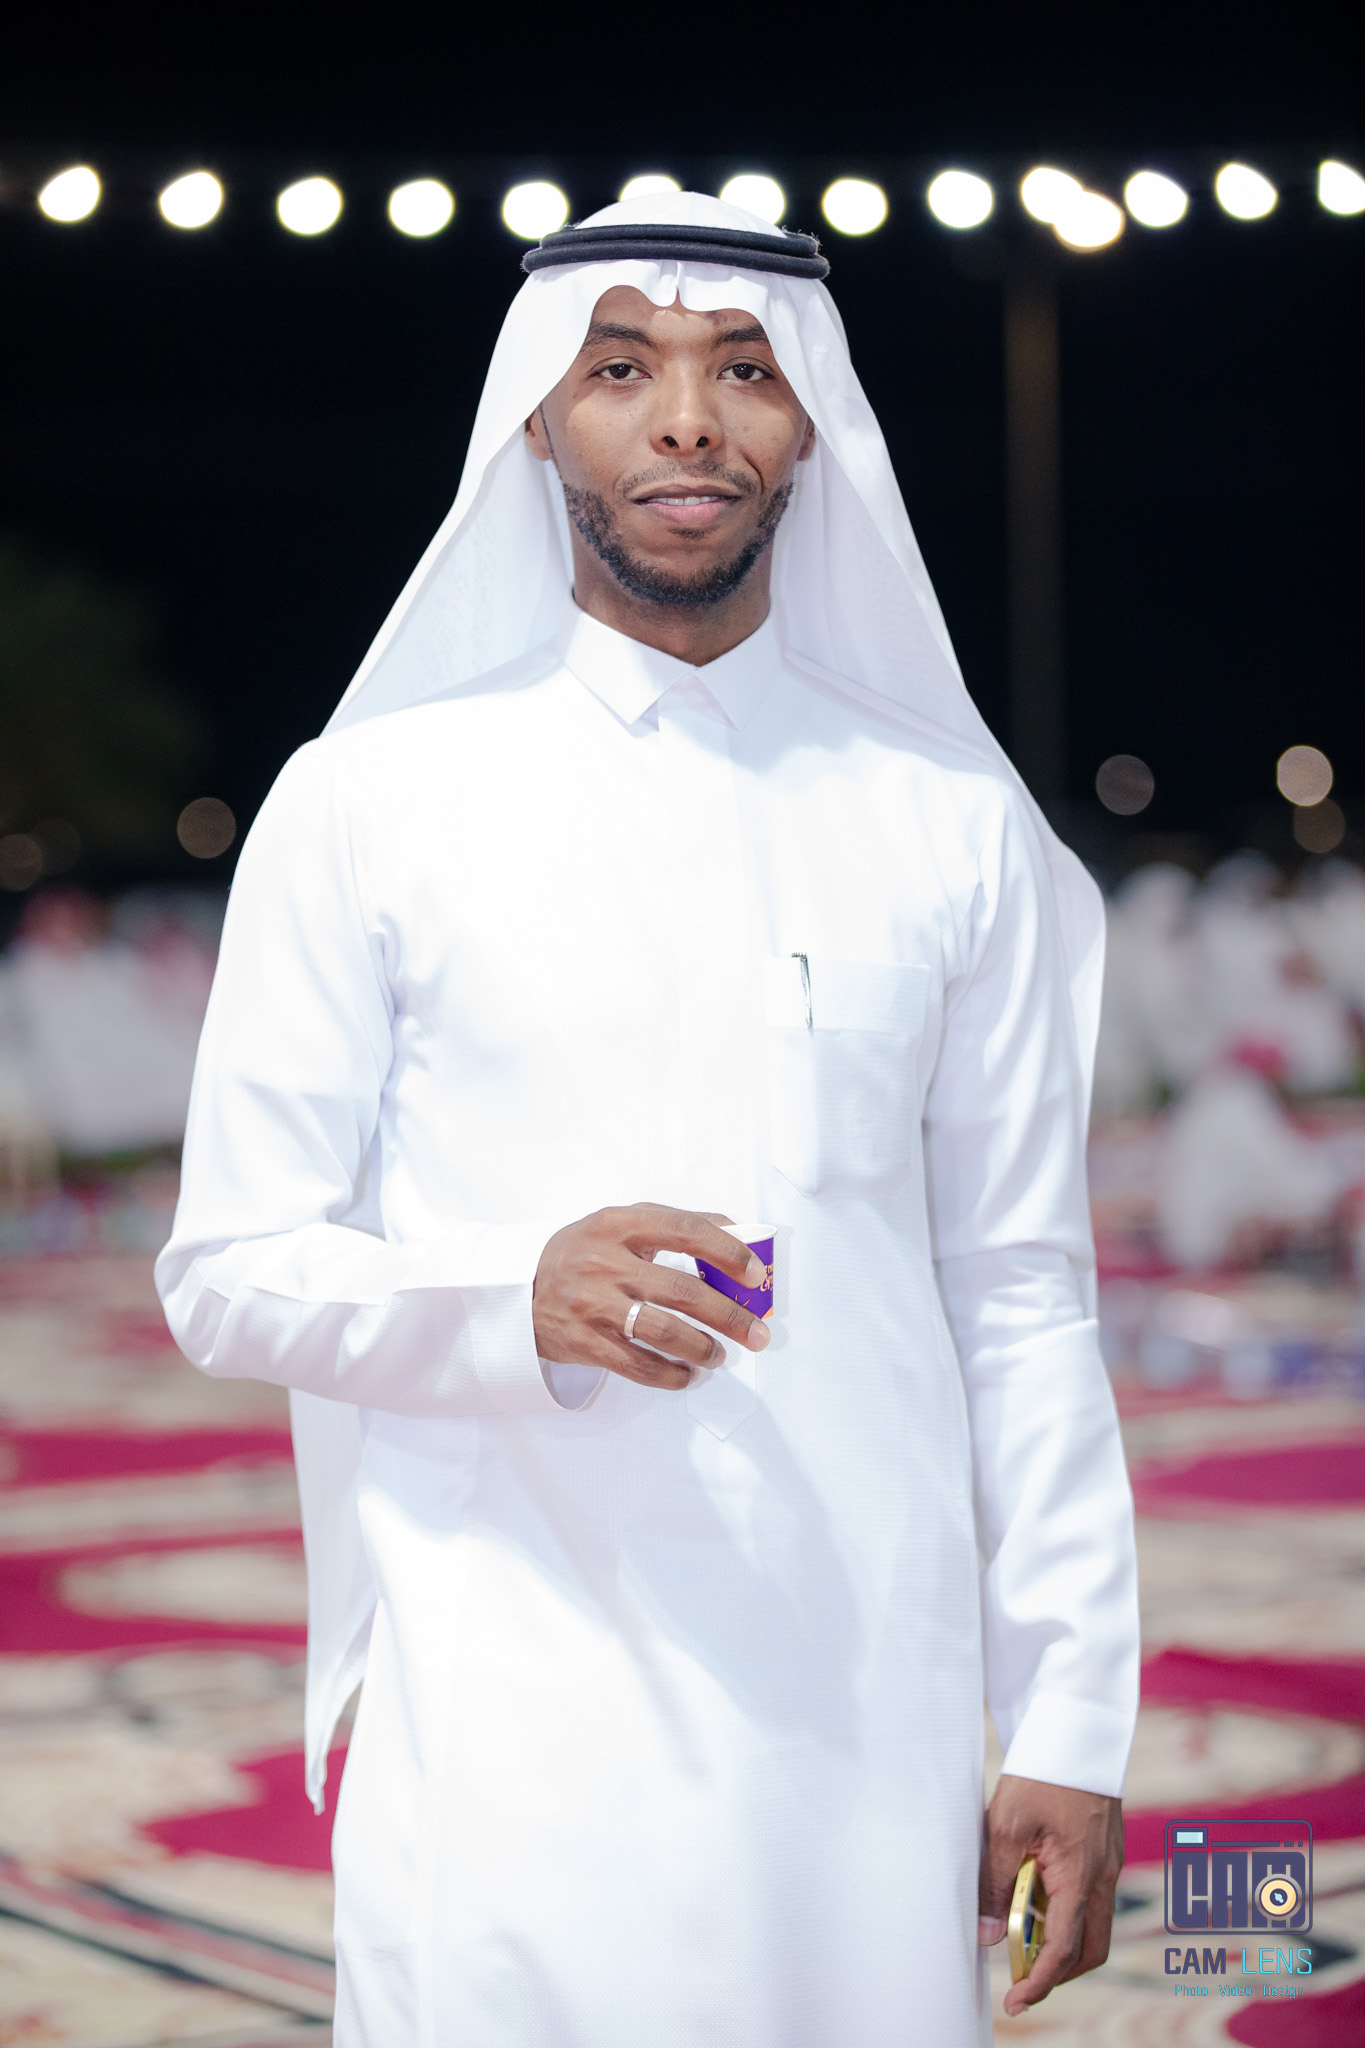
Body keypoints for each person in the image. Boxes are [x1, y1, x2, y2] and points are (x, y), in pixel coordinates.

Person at [157, 189, 1139, 2046]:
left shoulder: (947, 822)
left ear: (809, 423)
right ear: (539, 416)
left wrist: (1073, 1716)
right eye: (621, 371)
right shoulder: (368, 802)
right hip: (507, 1701)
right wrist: (504, 1296)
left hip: (860, 1702)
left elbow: (1019, 1290)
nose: (687, 421)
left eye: (741, 371)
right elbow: (227, 1268)